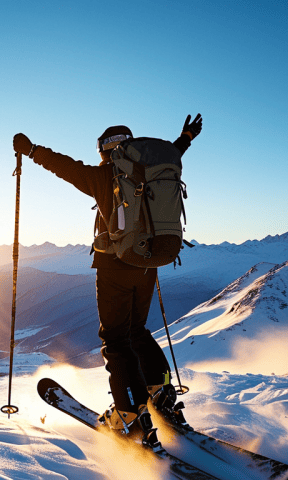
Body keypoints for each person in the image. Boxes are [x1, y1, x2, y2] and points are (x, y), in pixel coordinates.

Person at [13, 114, 203, 448]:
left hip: (115, 266)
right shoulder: (149, 169)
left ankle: (128, 414)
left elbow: (63, 166)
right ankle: (160, 392)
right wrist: (186, 136)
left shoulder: (102, 176)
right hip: (149, 263)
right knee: (137, 332)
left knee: (115, 339)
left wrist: (30, 150)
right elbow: (174, 152)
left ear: (103, 151)